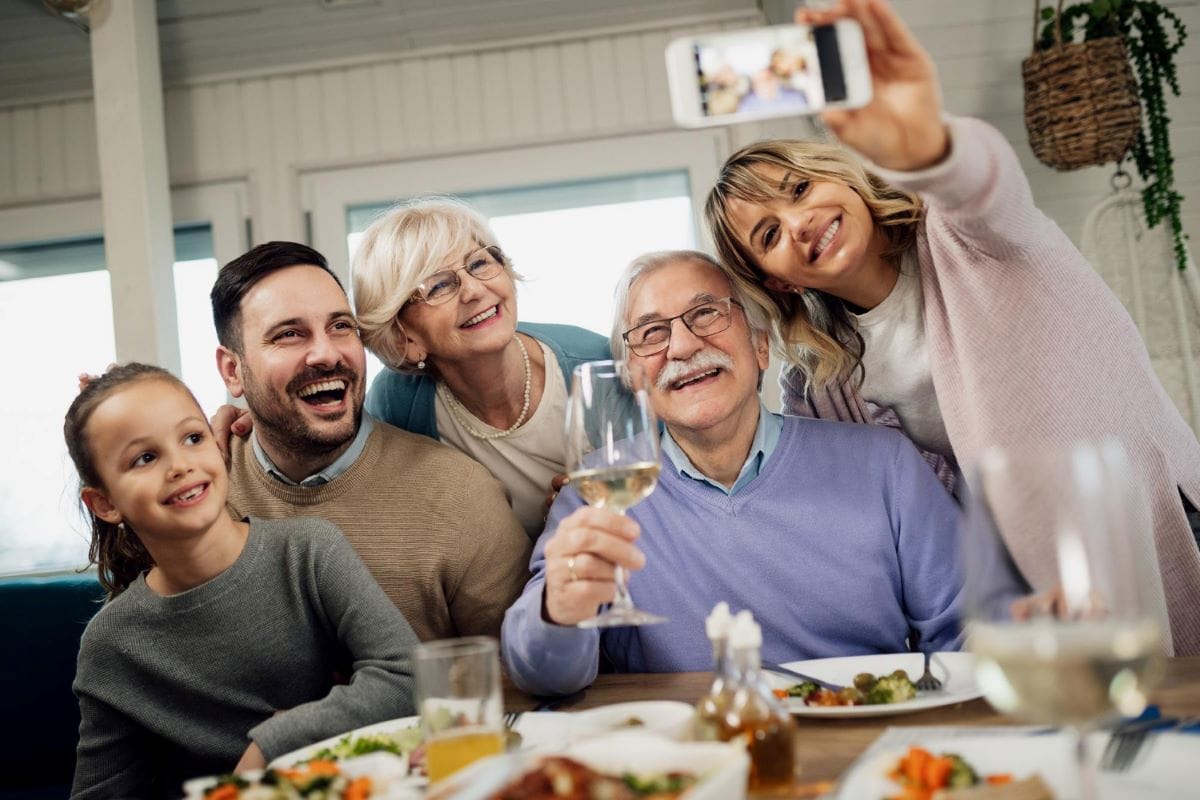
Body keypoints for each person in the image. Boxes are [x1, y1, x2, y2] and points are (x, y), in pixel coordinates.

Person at [703, 0, 1200, 654]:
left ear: (838, 177)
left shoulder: (970, 238)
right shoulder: (823, 385)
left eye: (798, 189)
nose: (797, 223)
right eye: (769, 234)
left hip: (1158, 522)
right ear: (778, 280)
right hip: (1042, 588)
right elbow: (877, 503)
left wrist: (928, 146)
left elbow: (982, 183)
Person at [501, 251, 969, 697]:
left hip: (866, 743)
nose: (682, 346)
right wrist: (557, 614)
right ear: (630, 377)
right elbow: (542, 675)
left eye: (706, 314)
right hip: (688, 759)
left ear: (761, 346)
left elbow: (974, 632)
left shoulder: (885, 465)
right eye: (650, 334)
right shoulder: (594, 492)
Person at [65, 364, 417, 799]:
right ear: (103, 502)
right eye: (145, 458)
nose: (180, 465)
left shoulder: (307, 551)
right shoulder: (112, 645)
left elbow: (408, 675)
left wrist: (272, 744)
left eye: (192, 438)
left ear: (216, 444)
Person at [211, 241, 531, 642]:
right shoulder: (200, 492)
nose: (325, 354)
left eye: (340, 326)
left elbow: (523, 672)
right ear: (231, 371)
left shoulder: (462, 496)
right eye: (289, 334)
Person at [353, 197, 612, 538]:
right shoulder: (396, 404)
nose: (474, 290)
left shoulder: (596, 364)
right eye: (439, 285)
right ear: (405, 337)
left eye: (478, 264)